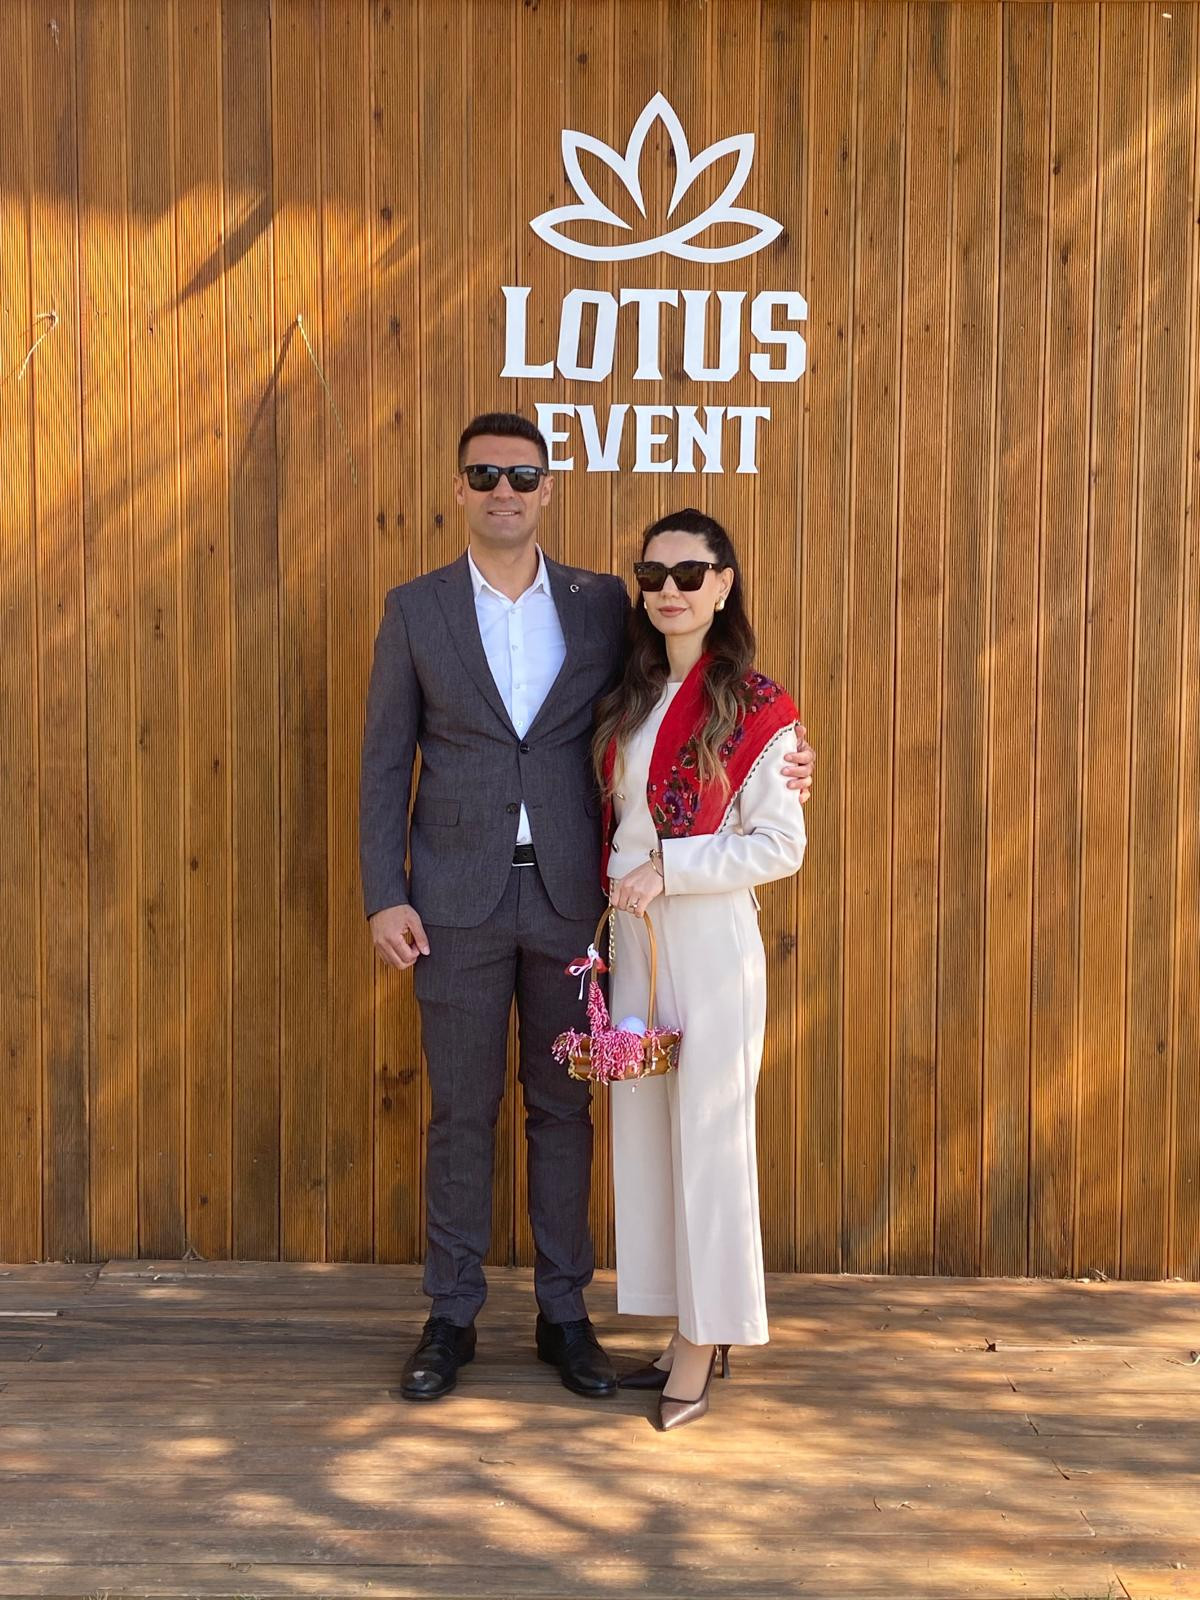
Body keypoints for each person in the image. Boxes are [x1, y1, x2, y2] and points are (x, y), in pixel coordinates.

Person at [360, 414, 815, 1403]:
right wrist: (383, 893)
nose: (504, 490)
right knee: (460, 1111)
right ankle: (451, 1315)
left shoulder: (605, 603)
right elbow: (385, 760)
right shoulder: (416, 610)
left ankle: (564, 1314)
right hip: (454, 905)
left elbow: (687, 698)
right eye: (486, 473)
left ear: (548, 487)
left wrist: (782, 760)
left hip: (577, 904)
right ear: (460, 487)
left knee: (564, 1110)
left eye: (523, 474)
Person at [596, 507, 807, 1431]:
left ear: (724, 585)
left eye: (690, 574)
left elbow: (781, 845)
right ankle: (681, 1319)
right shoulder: (631, 696)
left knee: (710, 1137)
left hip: (709, 937)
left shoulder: (758, 706)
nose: (671, 591)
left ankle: (703, 1339)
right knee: (649, 1134)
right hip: (635, 937)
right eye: (654, 576)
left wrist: (670, 869)